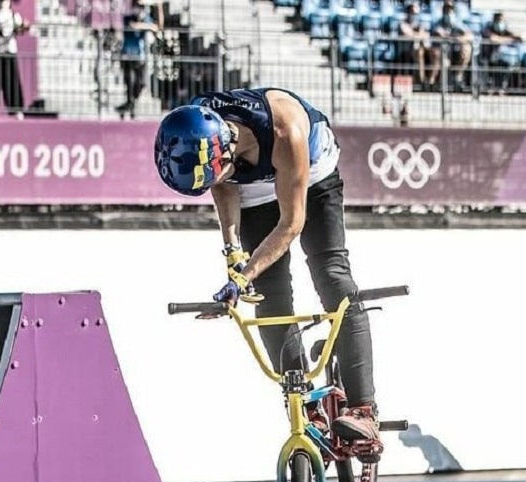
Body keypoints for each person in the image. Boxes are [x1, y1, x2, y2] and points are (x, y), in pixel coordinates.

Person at [152, 87, 381, 449]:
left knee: (332, 275)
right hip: (254, 188)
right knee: (268, 295)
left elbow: (292, 224)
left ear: (226, 150)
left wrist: (244, 275)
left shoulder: (284, 130)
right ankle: (302, 397)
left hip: (311, 172)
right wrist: (234, 255)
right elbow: (223, 187)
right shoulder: (201, 128)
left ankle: (363, 411)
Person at [0, 0, 31, 118]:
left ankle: (16, 108)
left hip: (9, 52)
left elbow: (23, 28)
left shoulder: (14, 16)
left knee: (11, 81)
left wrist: (24, 27)